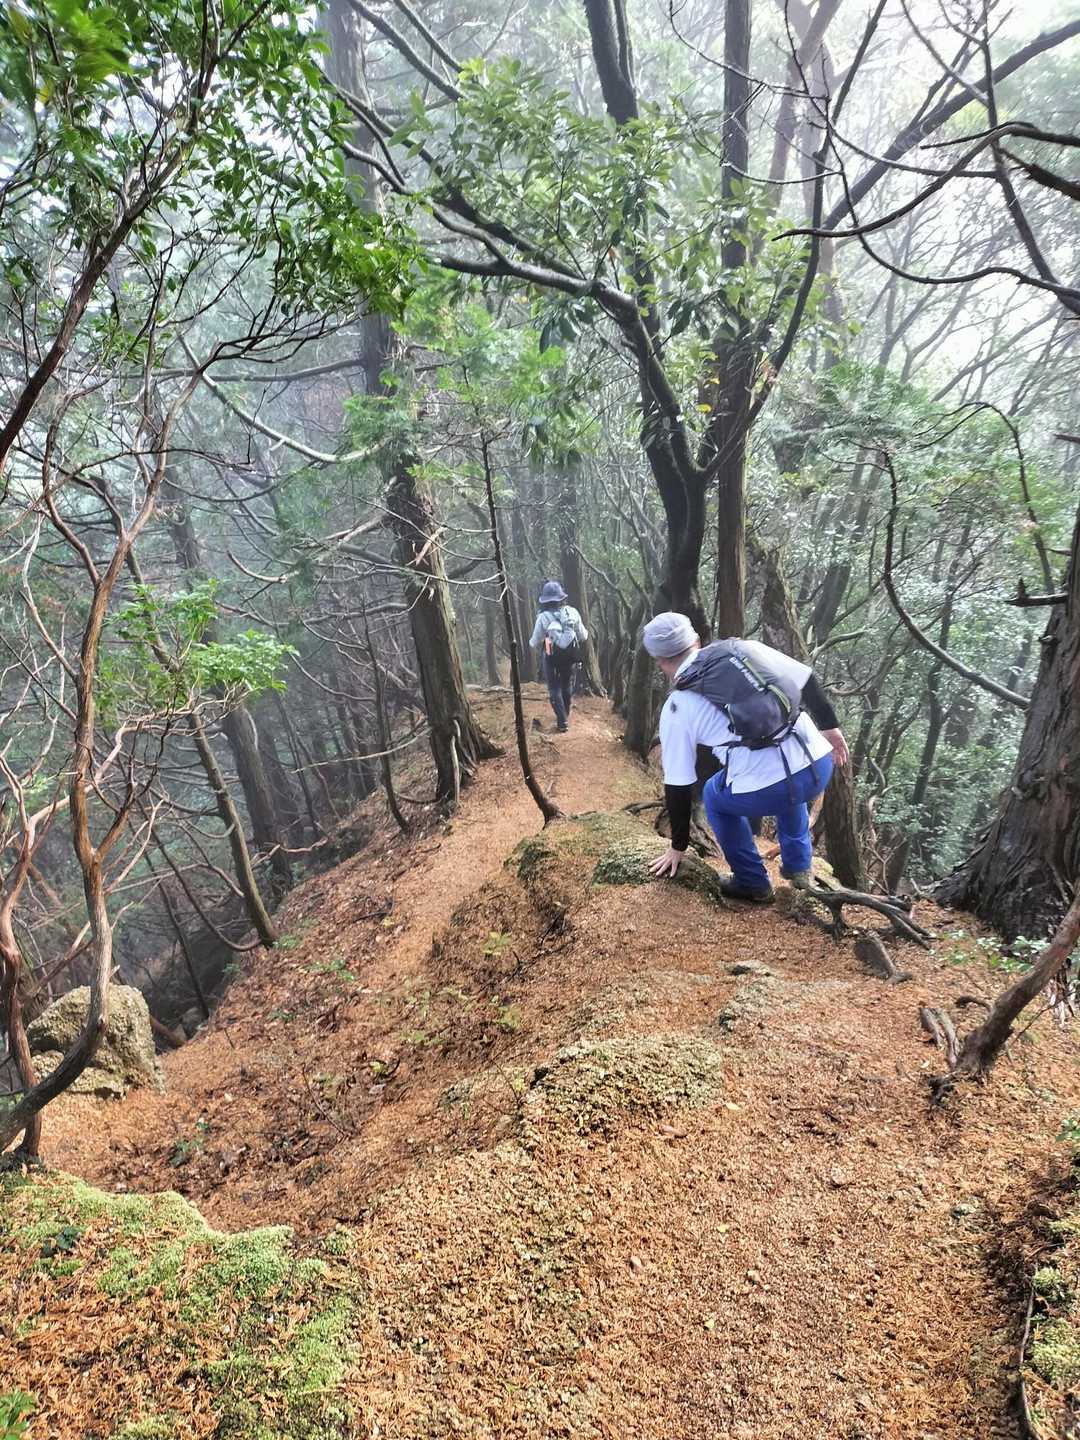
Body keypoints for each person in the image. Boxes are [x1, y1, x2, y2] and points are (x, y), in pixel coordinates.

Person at [642, 611, 851, 902]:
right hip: (819, 765)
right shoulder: (744, 648)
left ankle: (752, 882)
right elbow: (805, 678)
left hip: (772, 790)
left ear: (660, 661)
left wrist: (678, 846)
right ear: (697, 641)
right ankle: (799, 867)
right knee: (786, 779)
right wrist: (830, 726)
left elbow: (678, 782)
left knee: (714, 795)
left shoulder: (677, 706)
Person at [530, 579, 588, 733]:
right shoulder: (572, 612)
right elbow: (583, 636)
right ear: (561, 598)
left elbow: (535, 641)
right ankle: (565, 715)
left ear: (545, 600)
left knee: (554, 687)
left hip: (551, 654)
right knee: (566, 685)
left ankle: (562, 721)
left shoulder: (543, 617)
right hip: (569, 656)